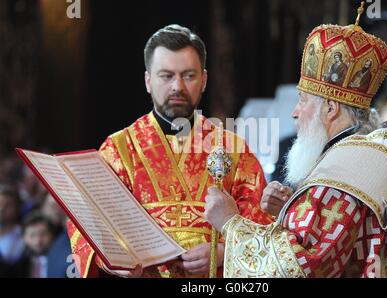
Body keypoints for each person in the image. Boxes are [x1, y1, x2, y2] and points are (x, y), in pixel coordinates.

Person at [205, 8, 387, 278]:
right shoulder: (367, 158)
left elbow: (294, 269)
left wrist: (229, 221)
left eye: (303, 100)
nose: (295, 112)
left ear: (330, 109)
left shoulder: (343, 177)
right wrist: (287, 213)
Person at [67, 24, 272, 278]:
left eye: (188, 75)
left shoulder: (234, 149)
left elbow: (262, 226)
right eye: (166, 76)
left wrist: (223, 251)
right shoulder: (119, 149)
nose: (178, 86)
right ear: (148, 81)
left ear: (204, 80)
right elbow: (85, 222)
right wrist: (116, 263)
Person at [0, 185, 26, 277]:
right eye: (0, 203)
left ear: (17, 208)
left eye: (8, 205)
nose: (2, 208)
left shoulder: (23, 236)